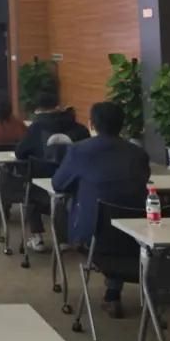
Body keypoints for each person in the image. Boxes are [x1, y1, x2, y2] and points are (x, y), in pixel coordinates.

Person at [51, 102, 151, 317]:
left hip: (93, 235)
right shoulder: (138, 154)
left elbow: (58, 184)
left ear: (92, 124)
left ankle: (63, 252)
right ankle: (112, 293)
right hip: (137, 235)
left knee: (66, 205)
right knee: (116, 208)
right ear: (122, 125)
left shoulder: (79, 150)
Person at [16, 89, 89, 253]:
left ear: (37, 109)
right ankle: (64, 239)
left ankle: (38, 237)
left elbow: (20, 153)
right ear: (59, 106)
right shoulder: (79, 128)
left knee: (28, 184)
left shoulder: (36, 128)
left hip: (40, 188)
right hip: (75, 187)